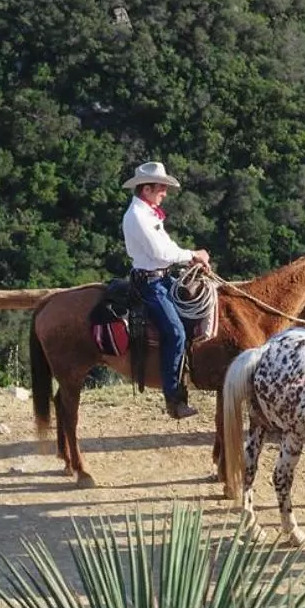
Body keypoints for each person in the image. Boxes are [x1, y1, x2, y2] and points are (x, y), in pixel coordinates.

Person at [121, 160, 211, 420]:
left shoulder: (147, 213)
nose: (165, 192)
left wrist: (190, 258)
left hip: (160, 277)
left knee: (195, 308)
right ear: (146, 189)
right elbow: (160, 252)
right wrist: (192, 254)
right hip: (150, 284)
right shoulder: (138, 216)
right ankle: (173, 398)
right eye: (161, 188)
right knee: (175, 333)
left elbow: (166, 246)